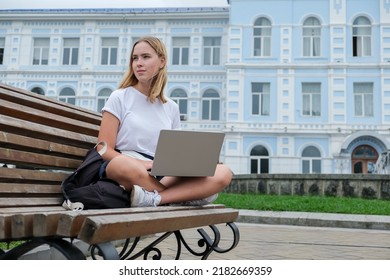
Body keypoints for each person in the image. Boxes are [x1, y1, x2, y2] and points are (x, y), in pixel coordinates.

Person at [97, 36, 233, 207]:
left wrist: (198, 163)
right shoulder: (120, 97)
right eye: (135, 58)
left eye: (145, 57)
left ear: (162, 61)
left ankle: (155, 199)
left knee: (223, 172)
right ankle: (181, 195)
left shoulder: (171, 107)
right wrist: (143, 163)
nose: (138, 63)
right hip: (129, 167)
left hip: (163, 172)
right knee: (121, 165)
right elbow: (103, 149)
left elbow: (176, 154)